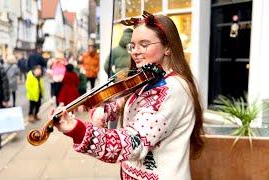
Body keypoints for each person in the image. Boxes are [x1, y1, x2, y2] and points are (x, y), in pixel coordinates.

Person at [52, 11, 204, 179]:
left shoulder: (172, 90)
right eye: (133, 45)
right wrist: (107, 110)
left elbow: (133, 143)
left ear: (168, 47)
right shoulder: (149, 78)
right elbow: (131, 105)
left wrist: (77, 129)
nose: (135, 52)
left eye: (144, 44)